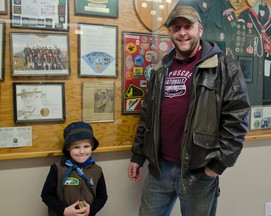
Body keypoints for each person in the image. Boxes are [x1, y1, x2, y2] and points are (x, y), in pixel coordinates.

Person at [127, 5, 250, 216]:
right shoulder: (160, 69)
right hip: (159, 168)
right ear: (171, 33)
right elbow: (147, 117)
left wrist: (217, 166)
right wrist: (138, 156)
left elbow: (237, 120)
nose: (182, 33)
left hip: (199, 171)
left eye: (187, 26)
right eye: (176, 28)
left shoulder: (224, 67)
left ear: (199, 30)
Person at [41, 121, 108, 216]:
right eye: (76, 147)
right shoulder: (57, 169)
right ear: (68, 147)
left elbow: (102, 196)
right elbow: (46, 195)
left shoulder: (97, 170)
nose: (82, 151)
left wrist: (91, 210)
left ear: (92, 146)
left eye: (86, 146)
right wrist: (64, 210)